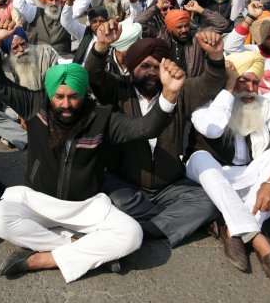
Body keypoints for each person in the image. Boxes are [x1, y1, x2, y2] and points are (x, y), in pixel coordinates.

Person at [0, 19, 184, 283]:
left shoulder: (102, 118)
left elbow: (147, 127)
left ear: (85, 94)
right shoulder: (34, 105)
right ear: (49, 93)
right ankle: (80, 248)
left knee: (132, 234)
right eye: (59, 96)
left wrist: (169, 95)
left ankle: (44, 258)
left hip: (85, 207)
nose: (66, 104)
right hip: (40, 202)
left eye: (73, 96)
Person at [85, 24, 225, 250]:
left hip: (169, 185)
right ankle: (168, 222)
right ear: (132, 68)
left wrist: (216, 55)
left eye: (158, 67)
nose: (152, 72)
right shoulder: (119, 88)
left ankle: (145, 230)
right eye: (145, 66)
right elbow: (92, 74)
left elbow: (211, 84)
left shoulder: (181, 90)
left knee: (208, 202)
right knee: (104, 196)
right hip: (126, 183)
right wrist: (101, 45)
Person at [185, 51, 270, 291]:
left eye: (256, 82)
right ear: (230, 79)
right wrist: (228, 88)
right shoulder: (206, 101)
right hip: (211, 173)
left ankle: (232, 229)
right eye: (244, 80)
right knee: (201, 159)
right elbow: (211, 130)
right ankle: (261, 242)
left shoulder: (263, 105)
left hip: (249, 175)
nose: (252, 89)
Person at [0, 24, 60, 150]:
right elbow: (6, 98)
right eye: (15, 47)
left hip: (46, 105)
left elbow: (56, 86)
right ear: (8, 50)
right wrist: (21, 114)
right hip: (18, 108)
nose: (21, 50)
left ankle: (23, 138)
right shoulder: (5, 66)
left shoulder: (46, 53)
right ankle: (30, 139)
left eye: (23, 44)